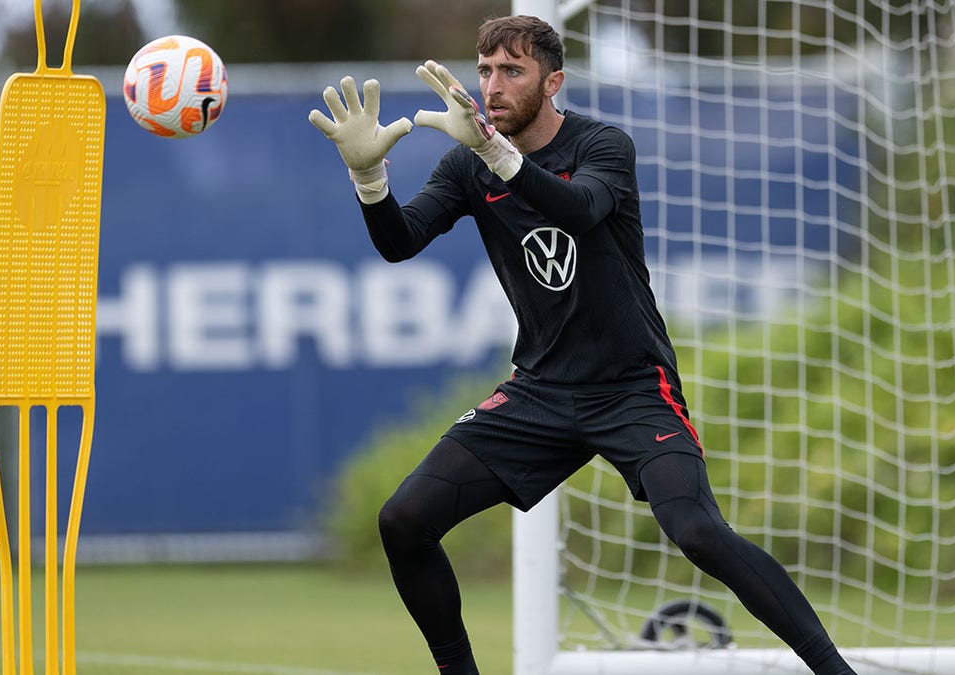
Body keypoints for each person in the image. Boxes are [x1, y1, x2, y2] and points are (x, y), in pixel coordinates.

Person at [309, 14, 856, 675]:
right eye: (485, 70)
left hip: (631, 388)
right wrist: (370, 181)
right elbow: (400, 241)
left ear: (553, 81)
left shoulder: (603, 144)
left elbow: (578, 209)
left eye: (512, 70)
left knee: (698, 531)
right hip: (539, 390)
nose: (493, 85)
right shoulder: (468, 163)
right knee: (403, 520)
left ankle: (835, 670)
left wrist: (493, 153)